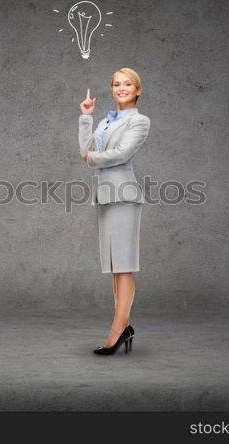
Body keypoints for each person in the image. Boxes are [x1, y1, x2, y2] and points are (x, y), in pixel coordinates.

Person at [78, 67, 151, 355]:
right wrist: (86, 117)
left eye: (128, 84)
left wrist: (92, 157)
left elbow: (122, 154)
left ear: (137, 90)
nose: (121, 88)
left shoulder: (139, 121)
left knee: (123, 265)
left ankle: (117, 330)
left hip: (123, 196)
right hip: (106, 197)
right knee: (114, 267)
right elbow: (84, 150)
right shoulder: (106, 121)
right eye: (117, 84)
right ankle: (125, 326)